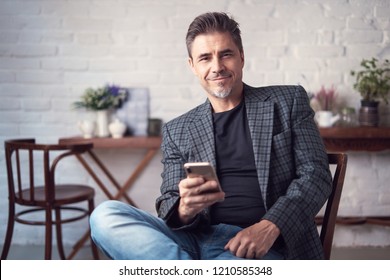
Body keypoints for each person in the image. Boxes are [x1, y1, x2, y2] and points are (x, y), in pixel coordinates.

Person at [90, 12, 332, 260]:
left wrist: (270, 226)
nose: (217, 67)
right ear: (193, 66)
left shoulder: (287, 101)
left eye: (225, 54)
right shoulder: (178, 129)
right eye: (205, 58)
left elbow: (316, 175)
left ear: (241, 57)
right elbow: (168, 203)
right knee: (105, 215)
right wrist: (185, 208)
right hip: (191, 237)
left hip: (255, 244)